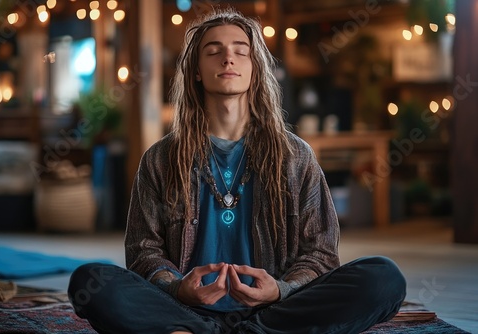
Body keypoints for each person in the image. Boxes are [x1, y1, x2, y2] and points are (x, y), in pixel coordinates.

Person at [68, 7, 406, 334]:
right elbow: (144, 250)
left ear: (256, 69)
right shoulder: (160, 158)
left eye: (240, 52)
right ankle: (196, 327)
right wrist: (177, 288)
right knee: (90, 280)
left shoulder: (295, 156)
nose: (228, 59)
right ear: (196, 70)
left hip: (274, 311)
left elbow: (319, 251)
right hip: (184, 308)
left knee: (383, 277)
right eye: (214, 51)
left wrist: (280, 290)